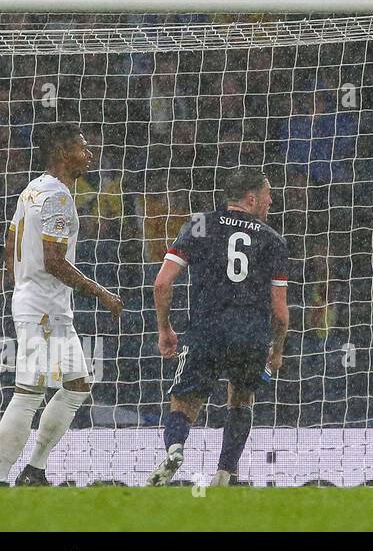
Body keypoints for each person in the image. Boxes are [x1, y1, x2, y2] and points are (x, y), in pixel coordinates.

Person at [149, 167, 290, 486]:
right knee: (241, 399)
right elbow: (280, 313)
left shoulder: (199, 223)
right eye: (267, 196)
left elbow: (162, 284)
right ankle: (225, 473)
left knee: (184, 402)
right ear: (251, 199)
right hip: (250, 334)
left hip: (205, 330)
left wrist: (164, 329)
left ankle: (175, 447)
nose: (271, 202)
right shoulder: (273, 240)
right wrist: (277, 350)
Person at [0, 124, 122, 486]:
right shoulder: (56, 196)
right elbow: (54, 260)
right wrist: (100, 292)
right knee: (29, 392)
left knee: (77, 386)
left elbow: (10, 242)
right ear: (62, 152)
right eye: (83, 148)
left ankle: (35, 470)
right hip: (42, 309)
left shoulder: (32, 189)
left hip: (47, 306)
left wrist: (21, 279)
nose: (90, 154)